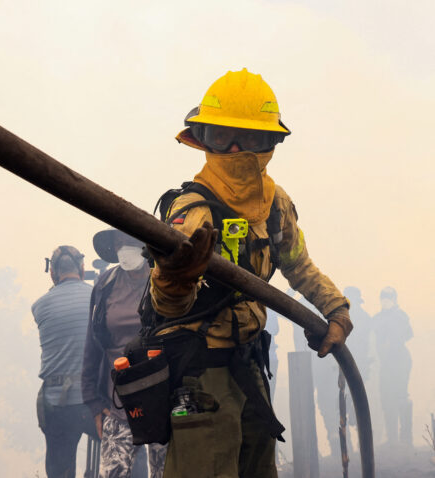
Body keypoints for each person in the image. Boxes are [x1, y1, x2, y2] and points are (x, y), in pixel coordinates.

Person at [144, 68, 353, 478]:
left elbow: (298, 264)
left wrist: (336, 309)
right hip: (199, 372)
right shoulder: (190, 211)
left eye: (251, 139)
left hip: (249, 365)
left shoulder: (276, 205)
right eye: (225, 138)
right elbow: (168, 306)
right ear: (203, 138)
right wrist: (174, 276)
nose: (237, 150)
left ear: (271, 142)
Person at [82, 229, 167, 478]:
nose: (123, 249)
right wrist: (94, 402)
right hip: (119, 402)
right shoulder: (105, 285)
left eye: (128, 242)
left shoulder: (164, 281)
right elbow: (93, 343)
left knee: (167, 473)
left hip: (163, 400)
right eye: (118, 244)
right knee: (113, 473)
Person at [33, 245, 96, 478]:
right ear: (82, 267)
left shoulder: (39, 305)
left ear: (53, 272)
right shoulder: (96, 295)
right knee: (126, 445)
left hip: (55, 402)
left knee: (60, 469)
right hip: (91, 401)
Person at [373, 286, 413, 447]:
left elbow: (408, 334)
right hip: (386, 363)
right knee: (386, 398)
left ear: (395, 299)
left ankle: (405, 438)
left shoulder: (401, 316)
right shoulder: (377, 318)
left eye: (388, 297)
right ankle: (392, 438)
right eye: (383, 297)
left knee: (401, 396)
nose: (385, 300)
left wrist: (392, 341)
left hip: (400, 361)